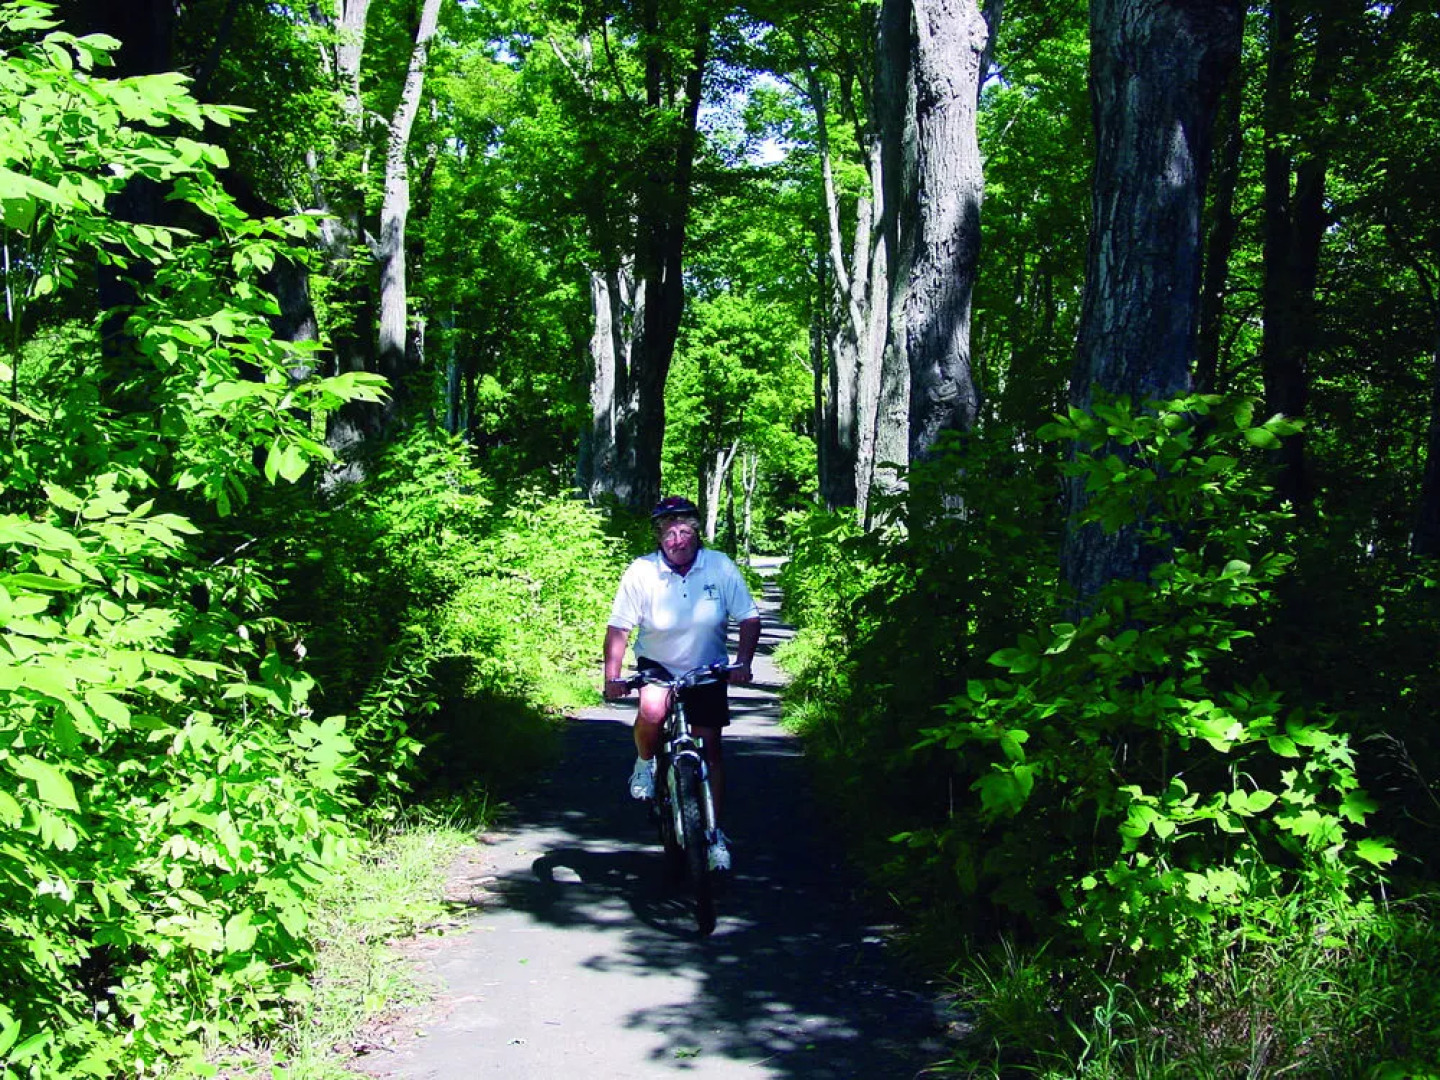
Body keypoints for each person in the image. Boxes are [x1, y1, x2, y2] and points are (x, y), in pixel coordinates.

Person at [602, 495, 762, 872]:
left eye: (685, 530)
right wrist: (613, 677)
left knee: (710, 747)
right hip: (658, 663)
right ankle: (645, 763)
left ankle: (712, 834)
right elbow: (620, 626)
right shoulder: (642, 571)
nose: (678, 538)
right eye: (669, 531)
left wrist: (743, 663)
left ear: (696, 532)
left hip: (706, 668)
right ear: (659, 536)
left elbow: (749, 618)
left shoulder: (719, 566)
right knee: (652, 709)